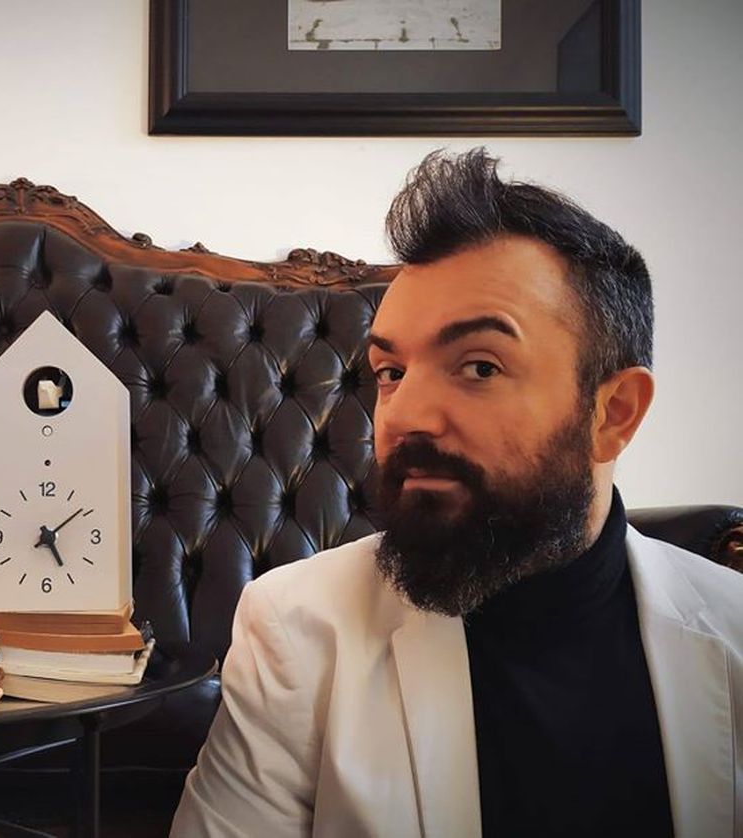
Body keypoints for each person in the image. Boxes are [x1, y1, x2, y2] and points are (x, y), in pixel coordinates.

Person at [172, 149, 743, 837]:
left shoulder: (732, 637)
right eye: (390, 371)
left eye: (479, 366)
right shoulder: (299, 628)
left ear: (613, 413)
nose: (404, 415)